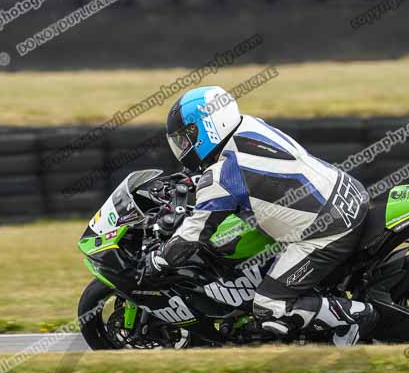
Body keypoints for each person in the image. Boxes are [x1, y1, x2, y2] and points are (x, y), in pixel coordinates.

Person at [146, 86, 378, 345]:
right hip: (348, 193)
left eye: (186, 138)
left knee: (269, 305)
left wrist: (159, 260)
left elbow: (194, 236)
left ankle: (358, 316)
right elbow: (248, 177)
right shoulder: (249, 127)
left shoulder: (223, 175)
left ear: (208, 128)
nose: (183, 147)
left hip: (328, 230)